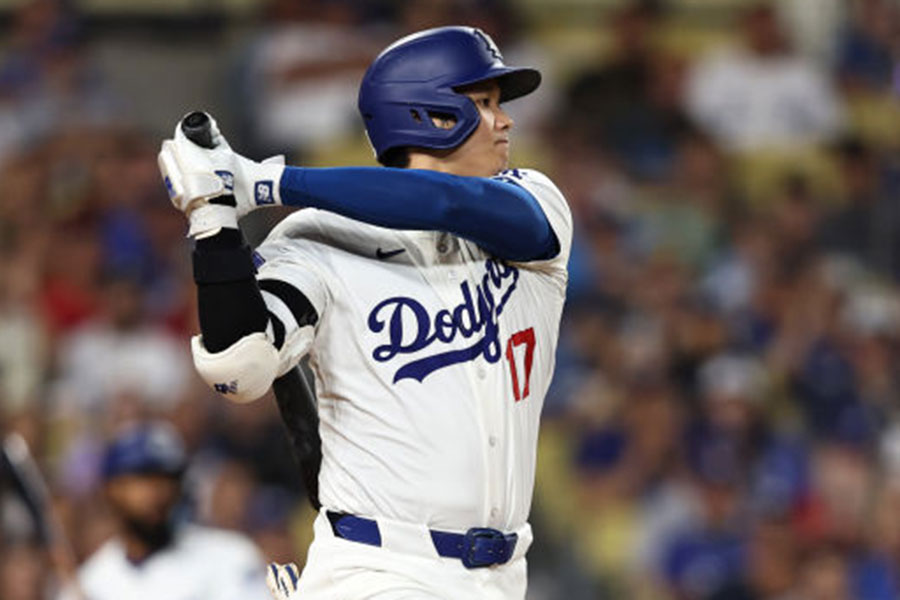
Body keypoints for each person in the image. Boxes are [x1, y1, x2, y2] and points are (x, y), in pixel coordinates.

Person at [158, 26, 572, 599]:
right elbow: (241, 365)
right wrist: (214, 223)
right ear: (433, 114)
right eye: (484, 103)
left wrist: (270, 181)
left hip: (503, 574)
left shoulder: (532, 203)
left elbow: (443, 199)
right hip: (382, 570)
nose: (505, 121)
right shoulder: (318, 237)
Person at [58, 422, 271, 600]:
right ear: (112, 490)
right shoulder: (91, 584)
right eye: (144, 479)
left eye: (168, 480)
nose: (158, 493)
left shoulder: (232, 555)